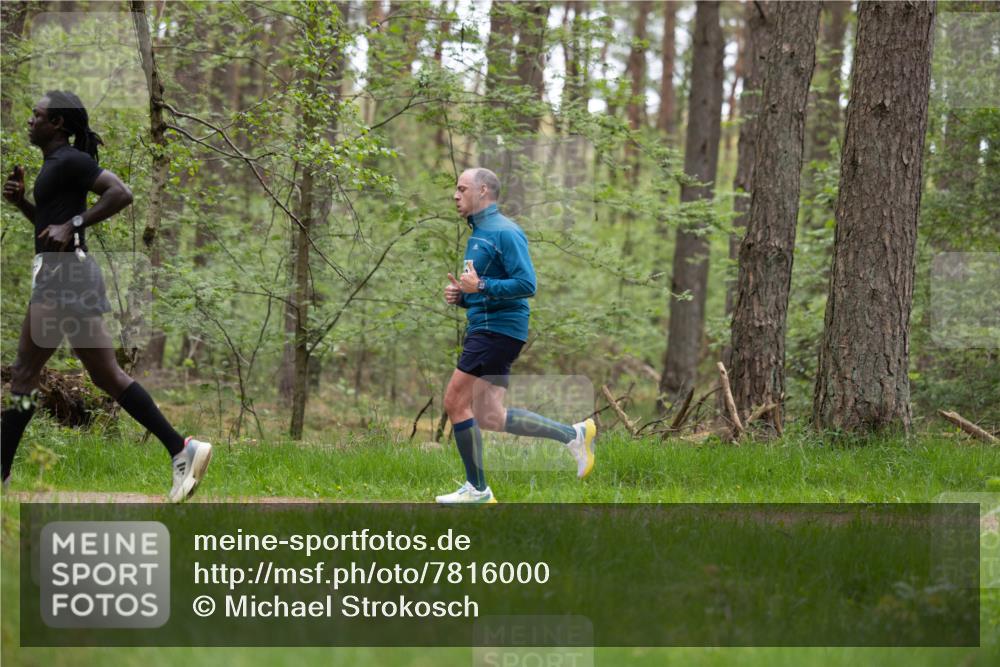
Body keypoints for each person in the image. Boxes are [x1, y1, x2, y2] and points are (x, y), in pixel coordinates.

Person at [1, 91, 211, 503]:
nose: (30, 120)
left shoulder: (71, 160)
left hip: (62, 279)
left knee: (25, 375)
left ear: (57, 123)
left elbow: (121, 193)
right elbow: (52, 230)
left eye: (37, 115)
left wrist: (76, 222)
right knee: (106, 375)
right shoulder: (54, 167)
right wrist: (24, 203)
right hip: (71, 275)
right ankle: (181, 448)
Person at [437, 167, 595, 505]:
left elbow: (527, 284)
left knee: (454, 401)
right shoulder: (479, 232)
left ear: (482, 192)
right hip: (490, 327)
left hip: (496, 331)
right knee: (491, 415)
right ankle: (574, 435)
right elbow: (486, 286)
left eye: (462, 189)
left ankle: (478, 490)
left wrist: (479, 286)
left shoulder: (505, 232)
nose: (455, 195)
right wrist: (463, 296)